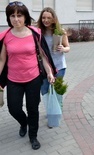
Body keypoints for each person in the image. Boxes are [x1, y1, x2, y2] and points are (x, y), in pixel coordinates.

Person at [0, 1, 56, 150]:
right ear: (8, 17)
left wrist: (49, 72)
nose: (16, 19)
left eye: (19, 15)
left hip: (33, 78)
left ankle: (33, 136)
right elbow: (1, 60)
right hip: (13, 80)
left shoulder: (34, 33)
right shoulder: (5, 36)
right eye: (12, 15)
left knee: (33, 108)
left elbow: (43, 55)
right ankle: (23, 122)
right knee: (13, 108)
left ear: (25, 17)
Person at [37, 7, 70, 121]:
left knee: (57, 90)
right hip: (44, 67)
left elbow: (68, 48)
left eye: (49, 18)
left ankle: (57, 110)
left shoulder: (60, 32)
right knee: (45, 90)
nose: (46, 20)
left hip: (60, 66)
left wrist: (63, 48)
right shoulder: (38, 33)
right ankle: (50, 111)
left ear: (54, 19)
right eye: (44, 17)